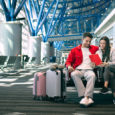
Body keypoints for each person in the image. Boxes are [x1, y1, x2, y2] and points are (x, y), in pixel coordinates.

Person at [65, 32, 99, 106]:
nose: (88, 43)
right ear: (82, 40)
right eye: (86, 41)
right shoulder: (74, 50)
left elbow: (103, 48)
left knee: (92, 76)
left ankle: (86, 97)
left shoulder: (94, 48)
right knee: (74, 74)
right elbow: (68, 61)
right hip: (78, 70)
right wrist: (69, 66)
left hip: (89, 70)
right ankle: (85, 95)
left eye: (90, 41)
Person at [96, 36, 115, 104]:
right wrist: (97, 64)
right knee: (112, 76)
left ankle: (105, 86)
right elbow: (97, 63)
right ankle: (114, 97)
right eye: (101, 43)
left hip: (113, 68)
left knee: (108, 66)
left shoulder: (112, 50)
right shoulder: (98, 52)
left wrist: (106, 63)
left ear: (107, 44)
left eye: (104, 43)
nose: (102, 45)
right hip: (105, 72)